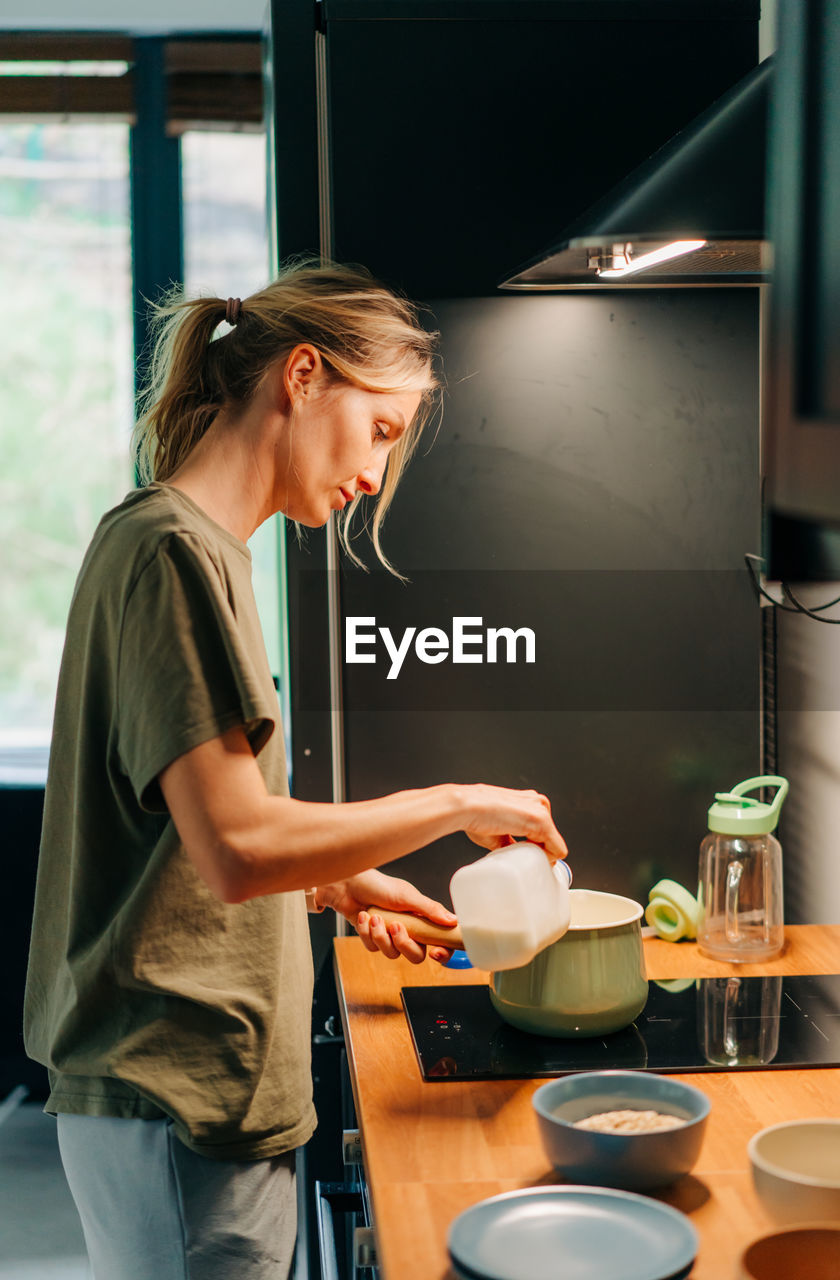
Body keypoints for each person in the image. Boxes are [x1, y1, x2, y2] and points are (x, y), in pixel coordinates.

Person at [24, 258, 568, 1280]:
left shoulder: (200, 549)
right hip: (177, 1094)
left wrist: (341, 880)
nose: (373, 476)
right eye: (381, 432)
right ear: (304, 376)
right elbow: (235, 848)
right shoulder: (172, 551)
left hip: (194, 1094)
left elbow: (185, 837)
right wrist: (458, 800)